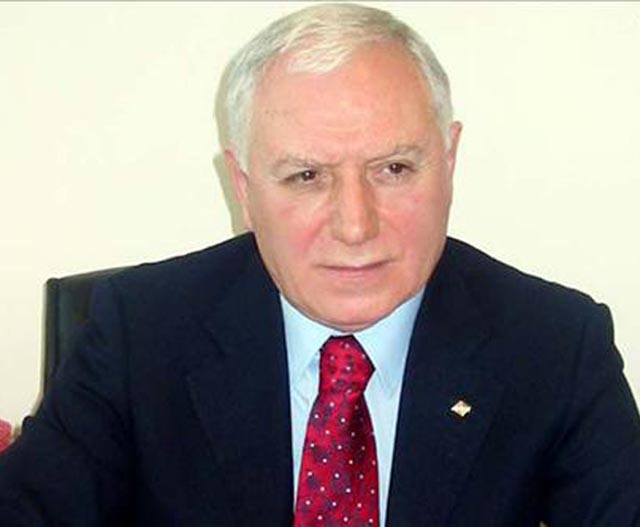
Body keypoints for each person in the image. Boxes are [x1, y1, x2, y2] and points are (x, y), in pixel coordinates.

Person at [1, 3, 639, 526]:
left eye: (394, 169)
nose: (355, 226)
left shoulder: (556, 346)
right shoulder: (139, 333)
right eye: (306, 176)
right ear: (244, 188)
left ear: (449, 161)